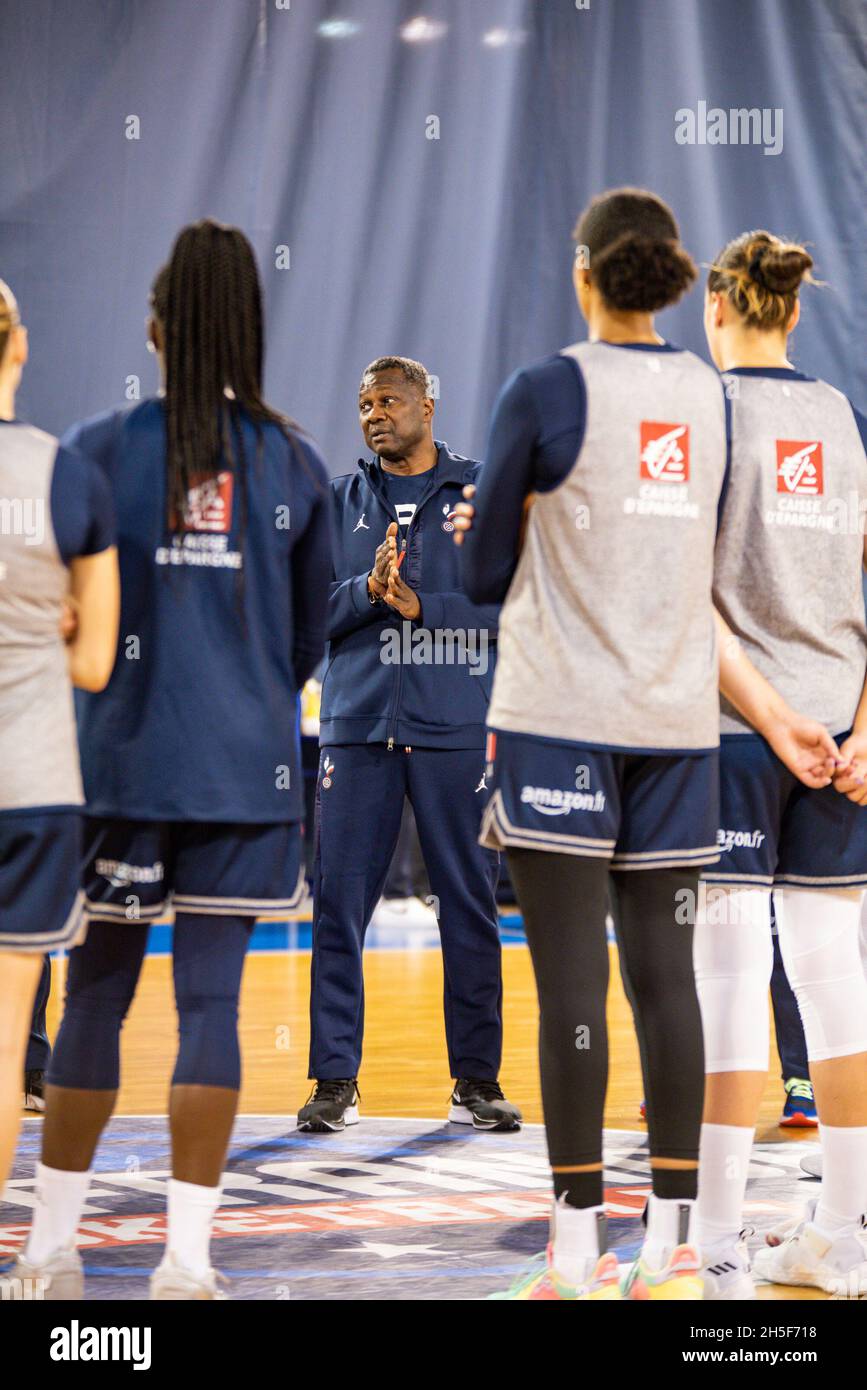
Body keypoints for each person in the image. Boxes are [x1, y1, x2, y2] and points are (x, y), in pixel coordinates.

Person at [12, 221, 332, 1300]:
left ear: (154, 329)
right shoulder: (294, 462)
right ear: (252, 328)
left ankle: (50, 1254)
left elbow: (70, 621)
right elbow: (304, 646)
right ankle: (185, 1266)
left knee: (93, 1003)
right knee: (212, 1011)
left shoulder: (95, 447)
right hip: (246, 776)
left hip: (117, 775)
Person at [458, 188, 731, 1300]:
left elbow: (477, 578)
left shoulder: (542, 389)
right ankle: (671, 1252)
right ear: (667, 274)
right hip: (677, 723)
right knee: (671, 986)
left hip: (560, 719)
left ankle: (575, 1260)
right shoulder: (712, 398)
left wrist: (525, 520)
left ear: (583, 273)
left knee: (572, 987)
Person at [694, 231, 867, 1298]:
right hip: (838, 741)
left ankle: (709, 1241)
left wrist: (769, 719)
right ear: (793, 313)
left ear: (718, 311)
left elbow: (684, 594)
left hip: (733, 735)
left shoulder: (705, 412)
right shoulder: (841, 419)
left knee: (723, 985)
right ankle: (846, 1236)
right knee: (836, 983)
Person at [299, 355, 520, 1134]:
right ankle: (333, 1080)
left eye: (388, 400)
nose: (373, 414)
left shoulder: (482, 493)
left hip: (455, 729)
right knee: (337, 907)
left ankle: (476, 1080)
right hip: (356, 729)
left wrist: (424, 605)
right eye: (363, 403)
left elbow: (509, 608)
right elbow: (308, 616)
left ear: (427, 403)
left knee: (467, 905)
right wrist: (367, 593)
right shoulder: (339, 502)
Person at [0, 277, 118, 1193]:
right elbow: (94, 668)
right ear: (21, 346)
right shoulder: (67, 475)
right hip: (33, 785)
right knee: (6, 1044)